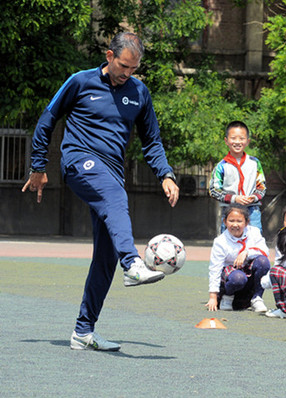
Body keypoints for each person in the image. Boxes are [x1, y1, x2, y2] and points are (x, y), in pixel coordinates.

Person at [22, 32, 179, 351]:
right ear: (109, 56)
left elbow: (151, 140)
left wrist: (165, 173)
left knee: (106, 257)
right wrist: (39, 167)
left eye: (133, 69)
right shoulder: (80, 82)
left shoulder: (139, 92)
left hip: (111, 173)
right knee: (116, 197)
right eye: (123, 66)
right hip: (79, 162)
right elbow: (47, 120)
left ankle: (83, 331)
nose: (127, 73)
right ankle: (133, 265)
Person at [206, 204, 270, 313]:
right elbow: (215, 268)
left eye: (239, 221)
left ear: (246, 222)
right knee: (238, 278)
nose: (235, 225)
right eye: (231, 221)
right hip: (232, 275)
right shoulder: (220, 241)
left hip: (247, 269)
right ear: (225, 222)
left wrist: (247, 252)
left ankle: (257, 298)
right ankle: (227, 296)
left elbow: (265, 251)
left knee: (263, 262)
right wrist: (213, 296)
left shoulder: (254, 232)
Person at [209, 120, 266, 233]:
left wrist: (253, 197)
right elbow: (213, 190)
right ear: (226, 141)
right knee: (229, 244)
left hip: (252, 211)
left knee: (254, 242)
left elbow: (261, 187)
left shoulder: (255, 163)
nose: (237, 142)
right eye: (233, 138)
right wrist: (234, 198)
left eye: (241, 138)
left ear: (248, 141)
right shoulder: (221, 166)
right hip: (230, 212)